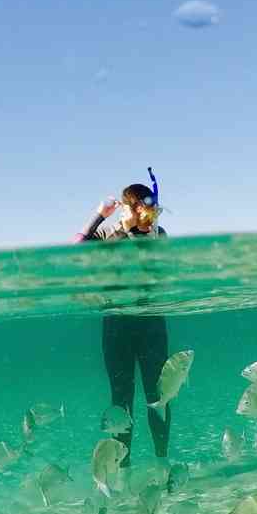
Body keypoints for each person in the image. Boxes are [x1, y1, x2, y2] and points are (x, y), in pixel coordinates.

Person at [74, 183, 171, 476]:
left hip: (151, 321)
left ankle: (161, 461)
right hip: (116, 323)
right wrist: (103, 218)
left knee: (159, 396)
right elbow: (76, 255)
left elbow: (156, 267)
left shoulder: (159, 234)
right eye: (134, 205)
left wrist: (141, 232)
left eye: (144, 205)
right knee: (121, 398)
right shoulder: (107, 233)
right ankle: (124, 467)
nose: (141, 211)